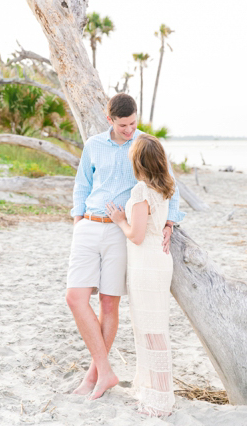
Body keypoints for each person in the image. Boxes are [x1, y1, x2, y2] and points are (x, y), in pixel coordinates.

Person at [65, 93, 184, 401]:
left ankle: (96, 374)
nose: (130, 130)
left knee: (108, 304)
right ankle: (105, 371)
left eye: (133, 123)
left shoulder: (145, 145)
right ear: (110, 121)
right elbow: (82, 184)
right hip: (89, 225)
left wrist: (170, 223)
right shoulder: (93, 145)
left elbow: (169, 184)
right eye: (124, 125)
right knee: (75, 298)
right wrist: (79, 218)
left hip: (123, 234)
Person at [105, 133, 176, 416]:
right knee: (153, 328)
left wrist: (120, 220)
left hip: (146, 262)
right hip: (158, 262)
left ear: (137, 162)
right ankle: (152, 392)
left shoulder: (142, 192)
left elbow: (135, 235)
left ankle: (160, 401)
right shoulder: (164, 188)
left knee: (151, 330)